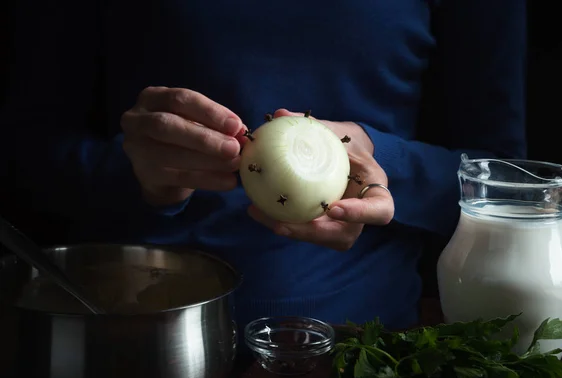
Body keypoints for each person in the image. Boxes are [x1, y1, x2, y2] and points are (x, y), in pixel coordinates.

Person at [0, 0, 527, 330]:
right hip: (131, 335)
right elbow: (26, 153)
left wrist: (386, 161)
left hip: (363, 348)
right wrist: (136, 174)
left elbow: (510, 182)